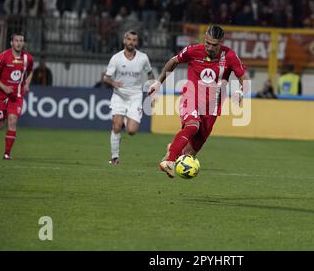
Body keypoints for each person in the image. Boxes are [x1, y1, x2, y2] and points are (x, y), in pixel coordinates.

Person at [148, 25, 249, 178]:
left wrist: (241, 92)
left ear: (221, 42)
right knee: (192, 126)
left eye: (214, 45)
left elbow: (245, 81)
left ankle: (174, 150)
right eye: (207, 43)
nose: (209, 47)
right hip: (191, 98)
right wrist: (158, 83)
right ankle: (169, 161)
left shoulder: (230, 56)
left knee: (189, 153)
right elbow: (174, 61)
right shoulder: (193, 51)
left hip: (212, 109)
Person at [103, 30, 155, 165]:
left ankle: (125, 121)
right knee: (116, 126)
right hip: (119, 95)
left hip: (135, 96)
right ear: (124, 41)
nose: (131, 42)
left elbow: (150, 74)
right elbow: (106, 78)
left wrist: (153, 90)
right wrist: (113, 82)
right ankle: (114, 158)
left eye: (134, 40)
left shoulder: (143, 58)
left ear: (136, 42)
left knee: (131, 131)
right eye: (129, 39)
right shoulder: (116, 58)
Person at [0, 33, 34, 159]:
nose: (19, 43)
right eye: (16, 40)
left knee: (12, 120)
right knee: (0, 124)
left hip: (17, 95)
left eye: (21, 41)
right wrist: (3, 87)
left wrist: (27, 84)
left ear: (23, 43)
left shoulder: (28, 58)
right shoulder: (3, 56)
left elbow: (30, 71)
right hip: (0, 94)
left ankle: (7, 153)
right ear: (11, 43)